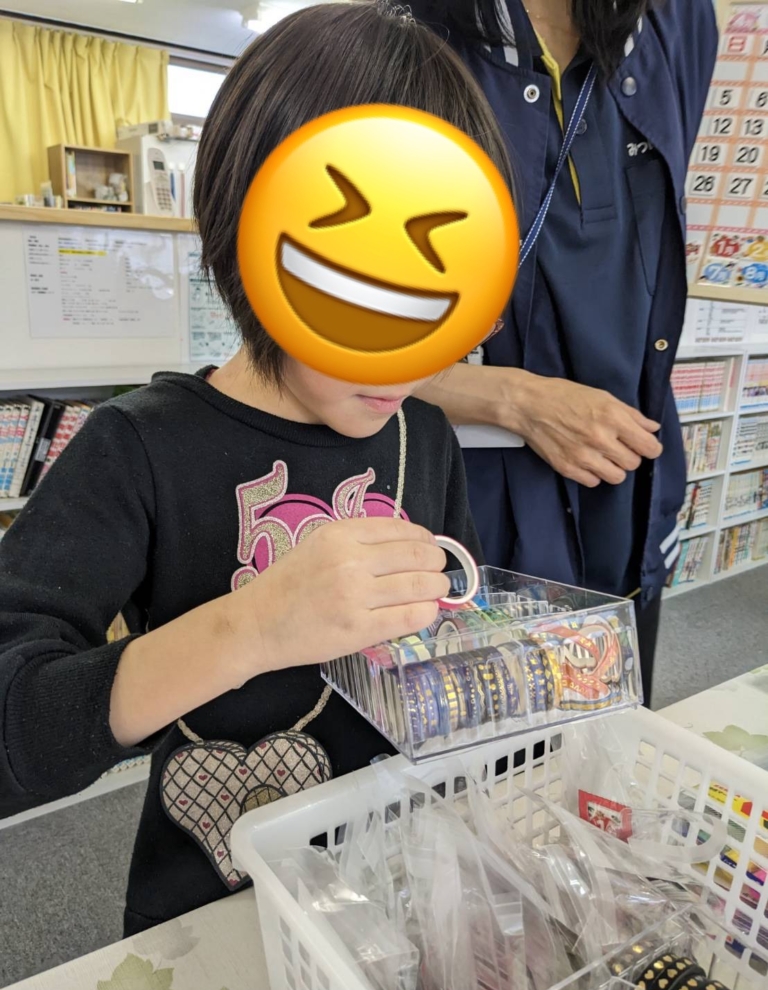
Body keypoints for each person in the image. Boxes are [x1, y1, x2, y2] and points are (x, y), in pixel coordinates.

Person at [0, 2, 508, 935]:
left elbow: (450, 644)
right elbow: (12, 727)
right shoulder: (135, 446)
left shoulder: (423, 439)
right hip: (211, 913)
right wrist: (254, 626)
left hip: (396, 898)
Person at [413, 0, 718, 703]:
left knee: (611, 727)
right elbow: (316, 342)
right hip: (469, 500)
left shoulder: (672, 28)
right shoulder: (404, 46)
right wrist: (515, 400)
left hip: (627, 481)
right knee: (485, 732)